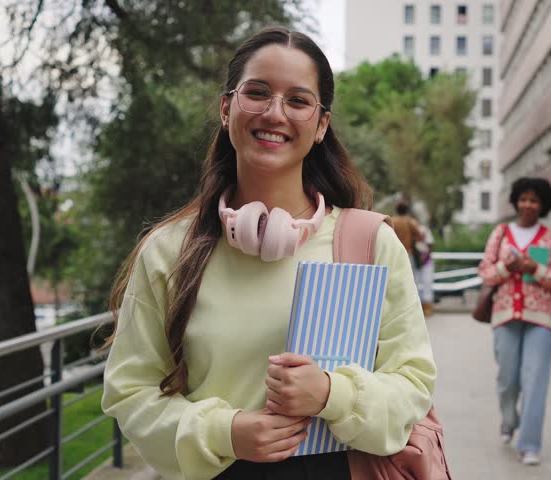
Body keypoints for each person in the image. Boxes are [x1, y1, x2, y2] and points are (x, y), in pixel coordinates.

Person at [100, 28, 436, 480]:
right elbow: (130, 392)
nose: (274, 113)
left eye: (298, 101)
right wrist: (225, 432)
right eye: (257, 93)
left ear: (321, 125)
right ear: (226, 108)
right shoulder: (168, 251)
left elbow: (412, 386)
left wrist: (331, 394)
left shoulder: (371, 242)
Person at [478, 177, 551, 466]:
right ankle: (508, 419)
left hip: (540, 318)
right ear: (516, 201)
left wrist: (537, 269)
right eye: (524, 199)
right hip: (505, 316)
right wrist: (508, 266)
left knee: (535, 381)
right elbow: (485, 273)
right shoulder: (502, 233)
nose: (528, 205)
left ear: (542, 205)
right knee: (508, 380)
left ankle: (530, 444)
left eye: (534, 200)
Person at [416, 224, 435, 317]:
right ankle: (417, 308)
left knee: (427, 283)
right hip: (415, 262)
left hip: (426, 262)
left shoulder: (426, 233)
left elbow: (431, 247)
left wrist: (423, 259)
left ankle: (427, 307)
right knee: (415, 284)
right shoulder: (413, 233)